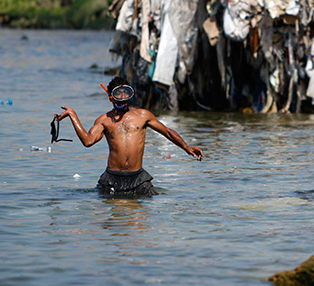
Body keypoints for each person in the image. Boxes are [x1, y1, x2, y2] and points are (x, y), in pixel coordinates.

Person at [55, 76, 203, 196]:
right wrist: (72, 115)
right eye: (118, 94)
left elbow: (168, 132)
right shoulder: (104, 120)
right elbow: (88, 141)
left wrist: (186, 147)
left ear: (130, 95)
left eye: (126, 93)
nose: (122, 98)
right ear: (111, 97)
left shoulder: (143, 115)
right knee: (113, 218)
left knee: (141, 220)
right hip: (112, 178)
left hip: (138, 178)